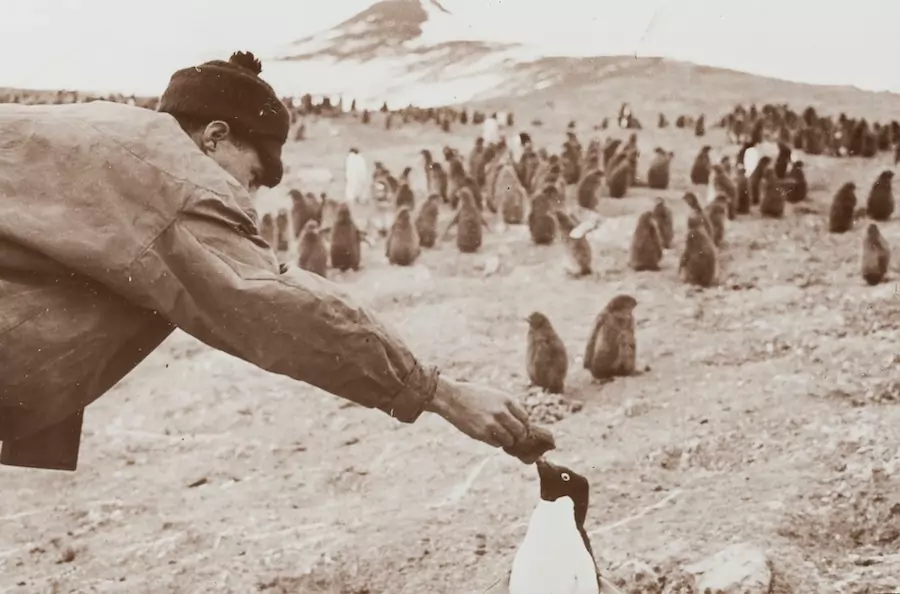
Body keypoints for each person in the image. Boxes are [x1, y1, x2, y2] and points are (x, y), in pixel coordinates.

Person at [0, 51, 547, 472]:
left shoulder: (102, 128)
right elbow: (271, 304)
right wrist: (439, 393)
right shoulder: (175, 179)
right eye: (253, 176)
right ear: (215, 137)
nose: (249, 197)